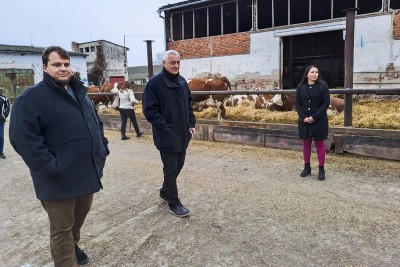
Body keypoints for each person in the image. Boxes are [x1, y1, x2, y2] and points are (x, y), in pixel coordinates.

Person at [9, 46, 109, 266]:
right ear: (45, 67)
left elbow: (96, 124)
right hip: (58, 180)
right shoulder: (31, 99)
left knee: (76, 223)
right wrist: (51, 168)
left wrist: (102, 149)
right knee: (61, 229)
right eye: (57, 64)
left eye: (66, 64)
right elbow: (22, 139)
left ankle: (73, 246)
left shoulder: (79, 93)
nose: (63, 68)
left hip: (85, 174)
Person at [142, 49, 196, 217]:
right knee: (171, 169)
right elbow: (149, 110)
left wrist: (191, 123)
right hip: (166, 134)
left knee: (179, 165)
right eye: (172, 62)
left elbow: (189, 105)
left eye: (178, 62)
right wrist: (164, 126)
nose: (176, 65)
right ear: (164, 63)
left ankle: (165, 191)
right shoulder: (154, 84)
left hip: (182, 134)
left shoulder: (181, 81)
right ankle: (174, 202)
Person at [295, 65, 330, 181]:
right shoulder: (301, 87)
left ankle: (321, 169)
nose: (315, 74)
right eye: (312, 72)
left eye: (316, 72)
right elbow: (298, 104)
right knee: (306, 143)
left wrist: (314, 117)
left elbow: (325, 103)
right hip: (304, 120)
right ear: (307, 74)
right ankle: (307, 167)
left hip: (319, 120)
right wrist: (303, 117)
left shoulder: (323, 86)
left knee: (320, 144)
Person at [0, 88, 10, 159]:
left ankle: (1, 152)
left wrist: (4, 115)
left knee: (1, 136)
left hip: (1, 121)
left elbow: (8, 107)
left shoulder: (4, 98)